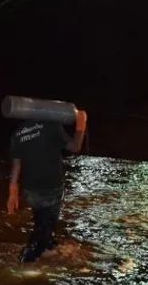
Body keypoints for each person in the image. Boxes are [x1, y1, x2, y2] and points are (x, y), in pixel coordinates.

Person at [6, 108, 87, 262]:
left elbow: (16, 164)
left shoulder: (18, 132)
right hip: (51, 188)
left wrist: (12, 193)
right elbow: (75, 147)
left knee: (41, 220)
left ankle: (49, 247)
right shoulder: (51, 125)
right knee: (45, 225)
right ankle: (27, 259)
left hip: (30, 191)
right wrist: (81, 125)